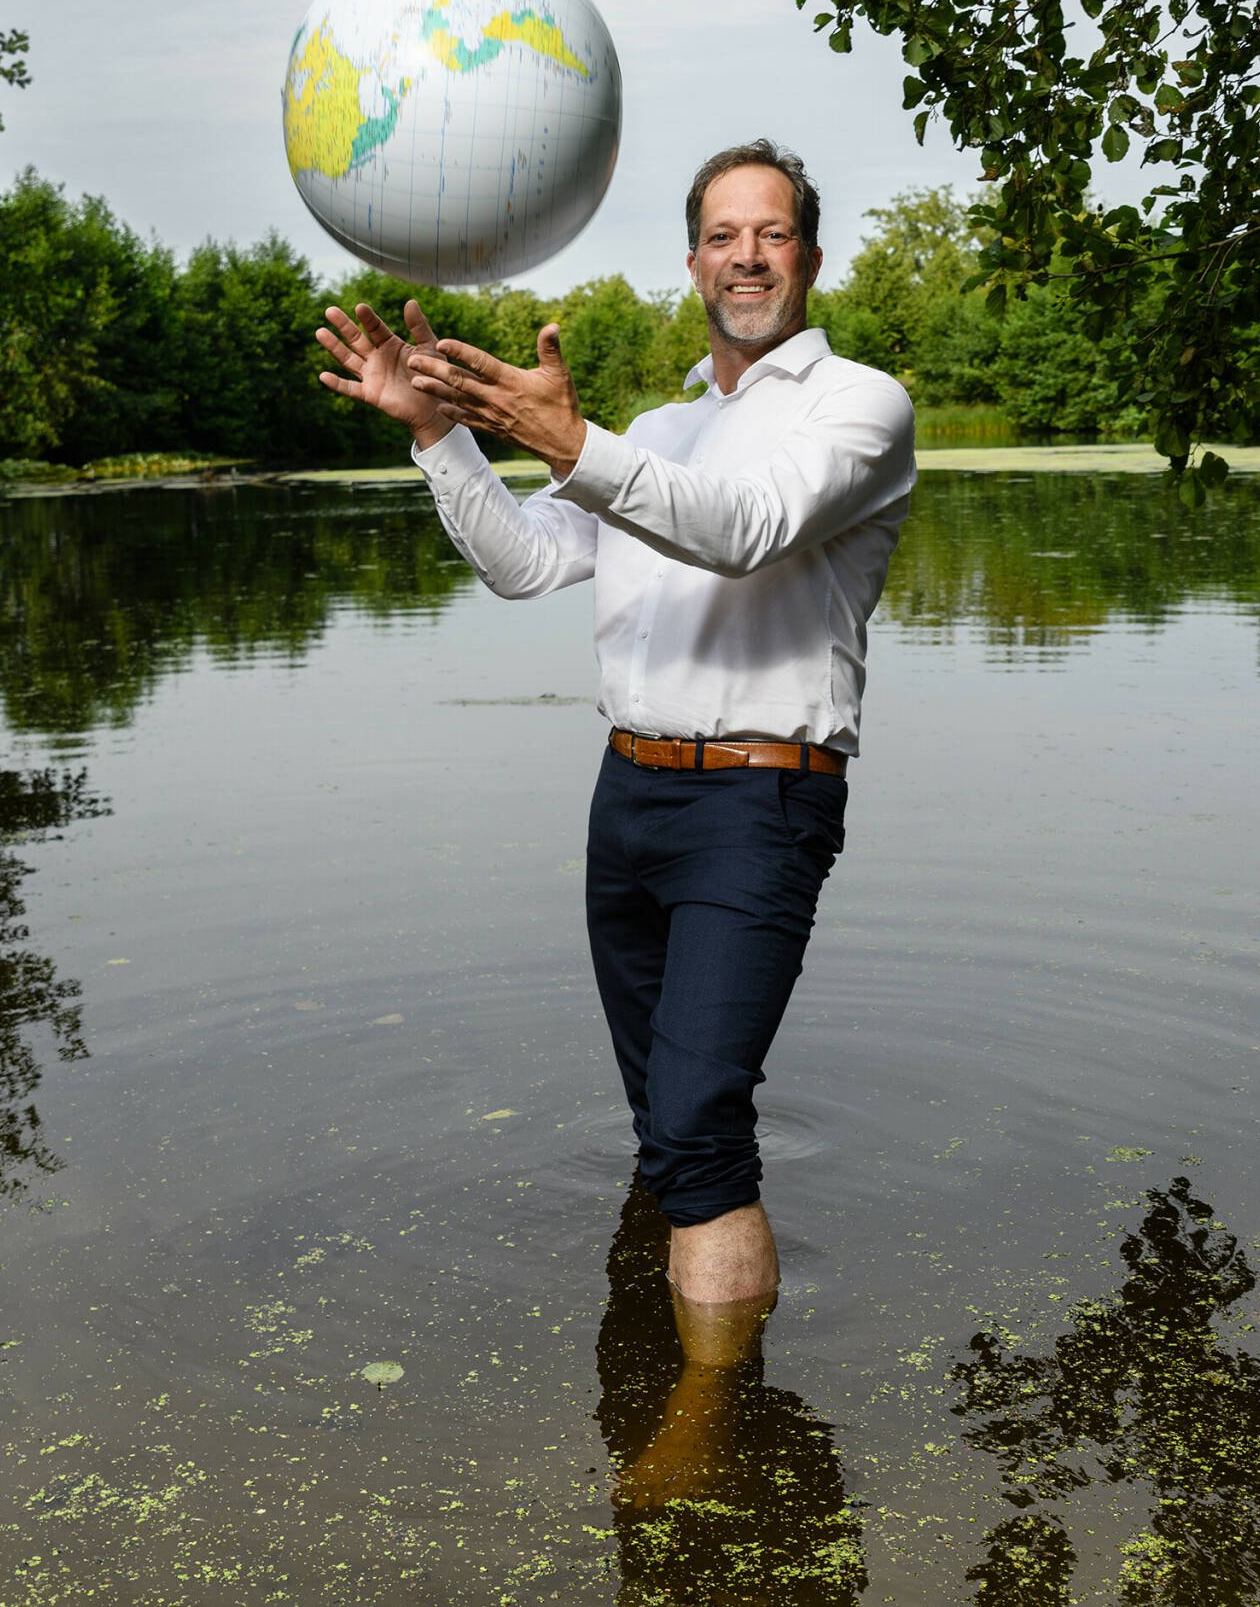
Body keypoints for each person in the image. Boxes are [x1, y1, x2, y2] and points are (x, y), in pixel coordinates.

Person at [312, 138, 917, 1307]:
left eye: (771, 233)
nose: (747, 257)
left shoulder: (861, 407)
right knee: (658, 1123)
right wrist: (440, 435)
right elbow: (525, 564)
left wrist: (574, 445)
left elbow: (744, 527)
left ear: (811, 256)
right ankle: (663, 1376)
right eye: (723, 237)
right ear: (693, 261)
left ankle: (707, 1430)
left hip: (759, 801)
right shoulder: (659, 428)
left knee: (698, 1127)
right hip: (627, 800)